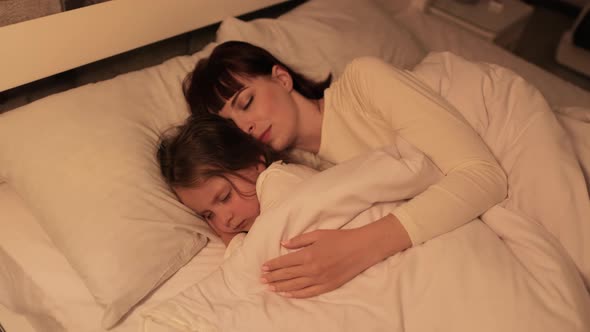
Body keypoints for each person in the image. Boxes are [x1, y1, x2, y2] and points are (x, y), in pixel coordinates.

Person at [183, 41, 508, 299]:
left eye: (246, 103)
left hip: (504, 139)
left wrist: (361, 246)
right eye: (231, 126)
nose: (246, 126)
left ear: (281, 78)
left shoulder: (362, 82)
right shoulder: (293, 176)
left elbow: (483, 174)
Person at [157, 113, 312, 248]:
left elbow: (255, 262)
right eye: (209, 215)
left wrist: (232, 242)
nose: (224, 220)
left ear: (255, 164)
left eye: (225, 197)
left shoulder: (280, 181)